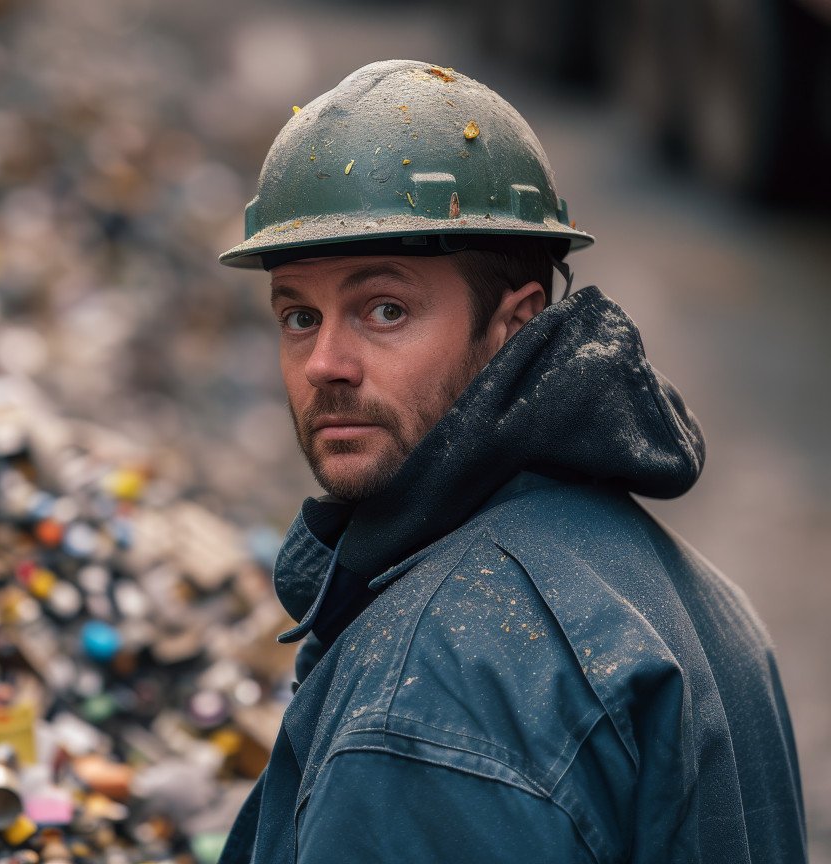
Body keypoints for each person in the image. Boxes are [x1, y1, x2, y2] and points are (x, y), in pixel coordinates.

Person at [216, 60, 805, 863]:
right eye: (298, 316)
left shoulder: (429, 698)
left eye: (384, 310)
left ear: (512, 323)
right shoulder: (693, 596)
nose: (325, 362)